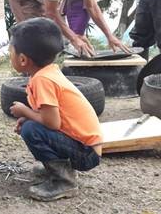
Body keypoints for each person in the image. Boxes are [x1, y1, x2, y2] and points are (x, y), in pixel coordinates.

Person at [8, 17, 102, 201]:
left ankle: (64, 181)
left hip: (86, 153)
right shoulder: (49, 71)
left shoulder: (42, 80)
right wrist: (30, 117)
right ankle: (55, 168)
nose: (9, 54)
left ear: (23, 59)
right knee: (31, 127)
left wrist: (25, 112)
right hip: (86, 146)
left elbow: (52, 122)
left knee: (31, 131)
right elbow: (52, 118)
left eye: (10, 51)